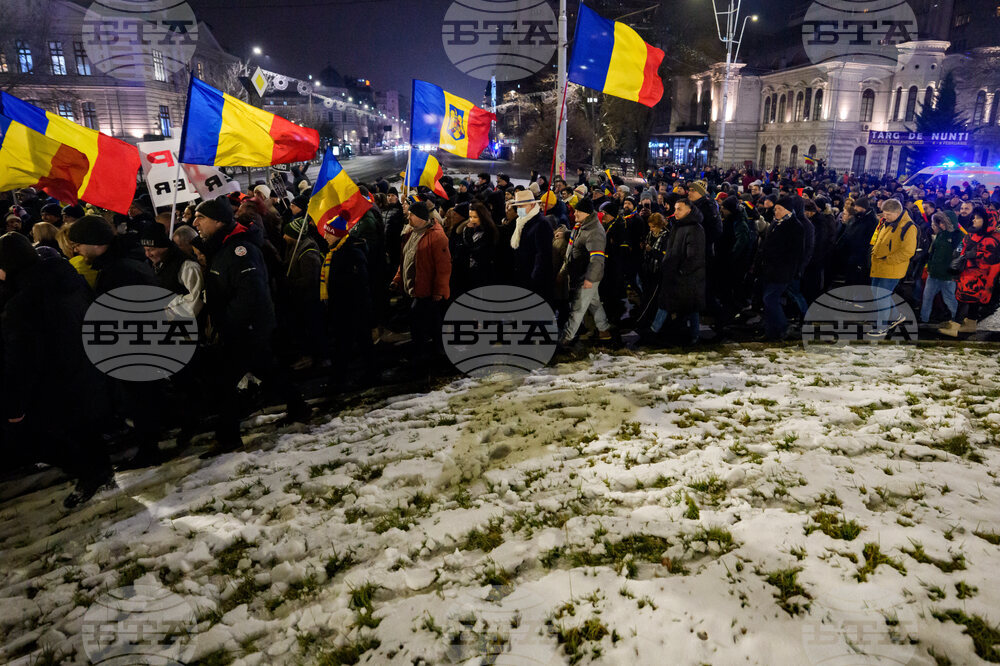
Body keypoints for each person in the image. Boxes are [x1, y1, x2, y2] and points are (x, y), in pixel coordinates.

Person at [0, 232, 116, 508]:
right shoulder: (65, 276)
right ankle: (101, 471)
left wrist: (15, 404)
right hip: (86, 367)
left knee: (56, 438)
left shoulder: (23, 304)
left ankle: (92, 475)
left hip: (55, 383)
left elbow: (22, 359)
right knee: (87, 430)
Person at [194, 196, 309, 456]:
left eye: (201, 218)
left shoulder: (239, 250)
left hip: (246, 328)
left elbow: (251, 294)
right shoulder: (224, 245)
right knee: (267, 368)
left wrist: (235, 324)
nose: (196, 223)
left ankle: (228, 437)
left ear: (218, 221)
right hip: (243, 327)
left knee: (225, 380)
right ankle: (298, 407)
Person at [392, 201, 451, 359]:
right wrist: (397, 279)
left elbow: (443, 267)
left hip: (426, 290)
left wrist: (439, 291)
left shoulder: (436, 236)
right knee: (428, 321)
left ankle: (423, 354)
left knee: (420, 321)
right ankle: (432, 350)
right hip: (413, 288)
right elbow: (406, 259)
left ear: (421, 217)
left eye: (411, 215)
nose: (408, 217)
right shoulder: (411, 233)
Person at [320, 215, 373, 378]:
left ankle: (367, 374)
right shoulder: (334, 252)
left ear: (337, 235)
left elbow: (359, 284)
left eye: (328, 233)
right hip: (344, 308)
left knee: (357, 342)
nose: (325, 236)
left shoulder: (351, 254)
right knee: (349, 342)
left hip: (352, 308)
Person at [648, 199, 706, 345]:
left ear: (689, 210)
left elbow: (694, 257)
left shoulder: (695, 229)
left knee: (686, 306)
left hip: (685, 277)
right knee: (682, 306)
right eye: (675, 208)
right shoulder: (679, 226)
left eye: (679, 209)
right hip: (675, 274)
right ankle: (691, 335)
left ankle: (656, 332)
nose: (675, 212)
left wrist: (680, 271)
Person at [940, 206, 1000, 337]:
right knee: (971, 301)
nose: (974, 219)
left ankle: (955, 326)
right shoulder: (973, 233)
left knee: (964, 301)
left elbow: (995, 265)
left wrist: (989, 287)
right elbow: (961, 246)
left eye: (978, 218)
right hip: (966, 274)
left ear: (988, 220)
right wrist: (958, 253)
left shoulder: (993, 239)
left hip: (978, 278)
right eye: (974, 217)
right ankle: (970, 324)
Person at [559, 198, 611, 345]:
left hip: (587, 275)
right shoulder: (584, 225)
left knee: (578, 307)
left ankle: (566, 338)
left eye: (578, 211)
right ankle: (604, 330)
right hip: (582, 273)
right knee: (594, 302)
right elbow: (580, 238)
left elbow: (597, 260)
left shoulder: (595, 232)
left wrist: (589, 279)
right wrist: (566, 234)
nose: (574, 213)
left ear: (587, 213)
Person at [67, 215, 157, 294]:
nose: (75, 250)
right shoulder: (119, 261)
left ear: (94, 242)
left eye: (77, 245)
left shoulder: (119, 273)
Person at [868, 198, 918, 337]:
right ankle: (896, 316)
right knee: (876, 292)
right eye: (884, 213)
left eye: (888, 214)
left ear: (898, 212)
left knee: (881, 296)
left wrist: (889, 259)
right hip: (880, 265)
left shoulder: (908, 227)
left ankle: (882, 326)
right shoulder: (888, 222)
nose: (885, 216)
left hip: (892, 267)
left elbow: (908, 251)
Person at [758, 197, 805, 341]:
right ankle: (771, 332)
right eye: (775, 209)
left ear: (787, 210)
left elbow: (796, 252)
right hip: (769, 269)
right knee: (769, 300)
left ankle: (784, 327)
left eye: (779, 209)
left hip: (782, 270)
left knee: (770, 299)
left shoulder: (795, 226)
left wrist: (790, 269)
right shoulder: (776, 223)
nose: (775, 211)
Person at [280, 218, 324, 369]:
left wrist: (289, 283)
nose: (284, 237)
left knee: (310, 329)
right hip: (299, 298)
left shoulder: (308, 253)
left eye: (287, 234)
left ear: (295, 235)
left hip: (308, 300)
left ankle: (313, 358)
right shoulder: (295, 246)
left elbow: (310, 280)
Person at [140, 224, 204, 320]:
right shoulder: (154, 263)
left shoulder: (187, 266)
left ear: (164, 247)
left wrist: (170, 308)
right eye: (145, 250)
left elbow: (196, 299)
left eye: (151, 249)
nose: (148, 254)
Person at [510, 189, 554, 301]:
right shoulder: (521, 221)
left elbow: (543, 255)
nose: (519, 209)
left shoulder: (541, 223)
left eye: (522, 206)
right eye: (517, 207)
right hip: (522, 274)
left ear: (532, 205)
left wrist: (534, 278)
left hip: (533, 278)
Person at [920, 212, 963, 325]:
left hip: (947, 275)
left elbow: (960, 258)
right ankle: (924, 319)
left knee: (949, 298)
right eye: (939, 222)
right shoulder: (941, 234)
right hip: (934, 273)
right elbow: (933, 251)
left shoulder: (958, 236)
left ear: (949, 222)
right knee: (927, 297)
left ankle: (955, 320)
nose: (941, 225)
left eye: (943, 222)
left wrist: (955, 274)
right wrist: (930, 267)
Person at [450, 203, 497, 293]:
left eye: (475, 217)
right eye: (470, 217)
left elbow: (474, 249)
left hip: (482, 273)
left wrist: (467, 232)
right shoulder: (473, 229)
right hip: (469, 272)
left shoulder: (488, 231)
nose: (472, 220)